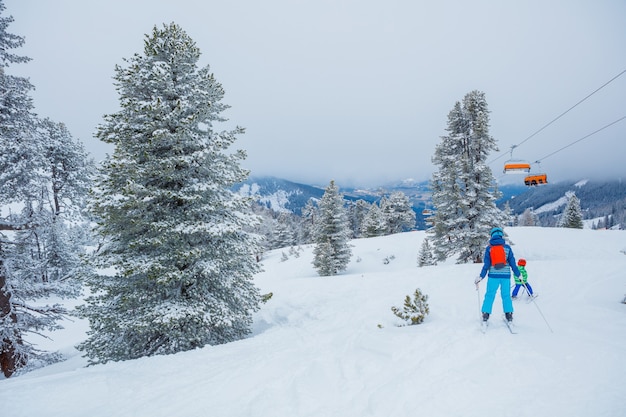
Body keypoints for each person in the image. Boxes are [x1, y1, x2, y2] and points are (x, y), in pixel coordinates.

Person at [474, 227, 521, 322]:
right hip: (506, 276)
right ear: (501, 235)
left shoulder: (489, 248)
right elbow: (512, 263)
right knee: (506, 295)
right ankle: (508, 315)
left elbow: (486, 265)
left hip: (493, 276)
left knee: (490, 295)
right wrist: (518, 274)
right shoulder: (507, 248)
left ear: (492, 235)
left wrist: (481, 276)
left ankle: (486, 314)